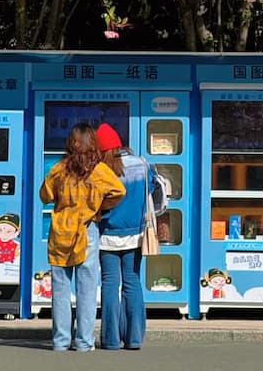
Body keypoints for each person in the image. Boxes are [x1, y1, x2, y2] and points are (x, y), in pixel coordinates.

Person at [39, 122, 126, 352]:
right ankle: (84, 342)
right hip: (87, 230)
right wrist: (98, 206)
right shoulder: (98, 170)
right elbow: (119, 191)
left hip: (60, 231)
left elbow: (44, 195)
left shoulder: (58, 169)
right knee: (86, 289)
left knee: (60, 288)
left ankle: (60, 341)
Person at [95, 122, 160, 351]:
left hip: (106, 235)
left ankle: (111, 339)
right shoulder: (142, 164)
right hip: (136, 234)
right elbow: (153, 190)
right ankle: (134, 338)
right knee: (132, 282)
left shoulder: (102, 170)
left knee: (110, 284)